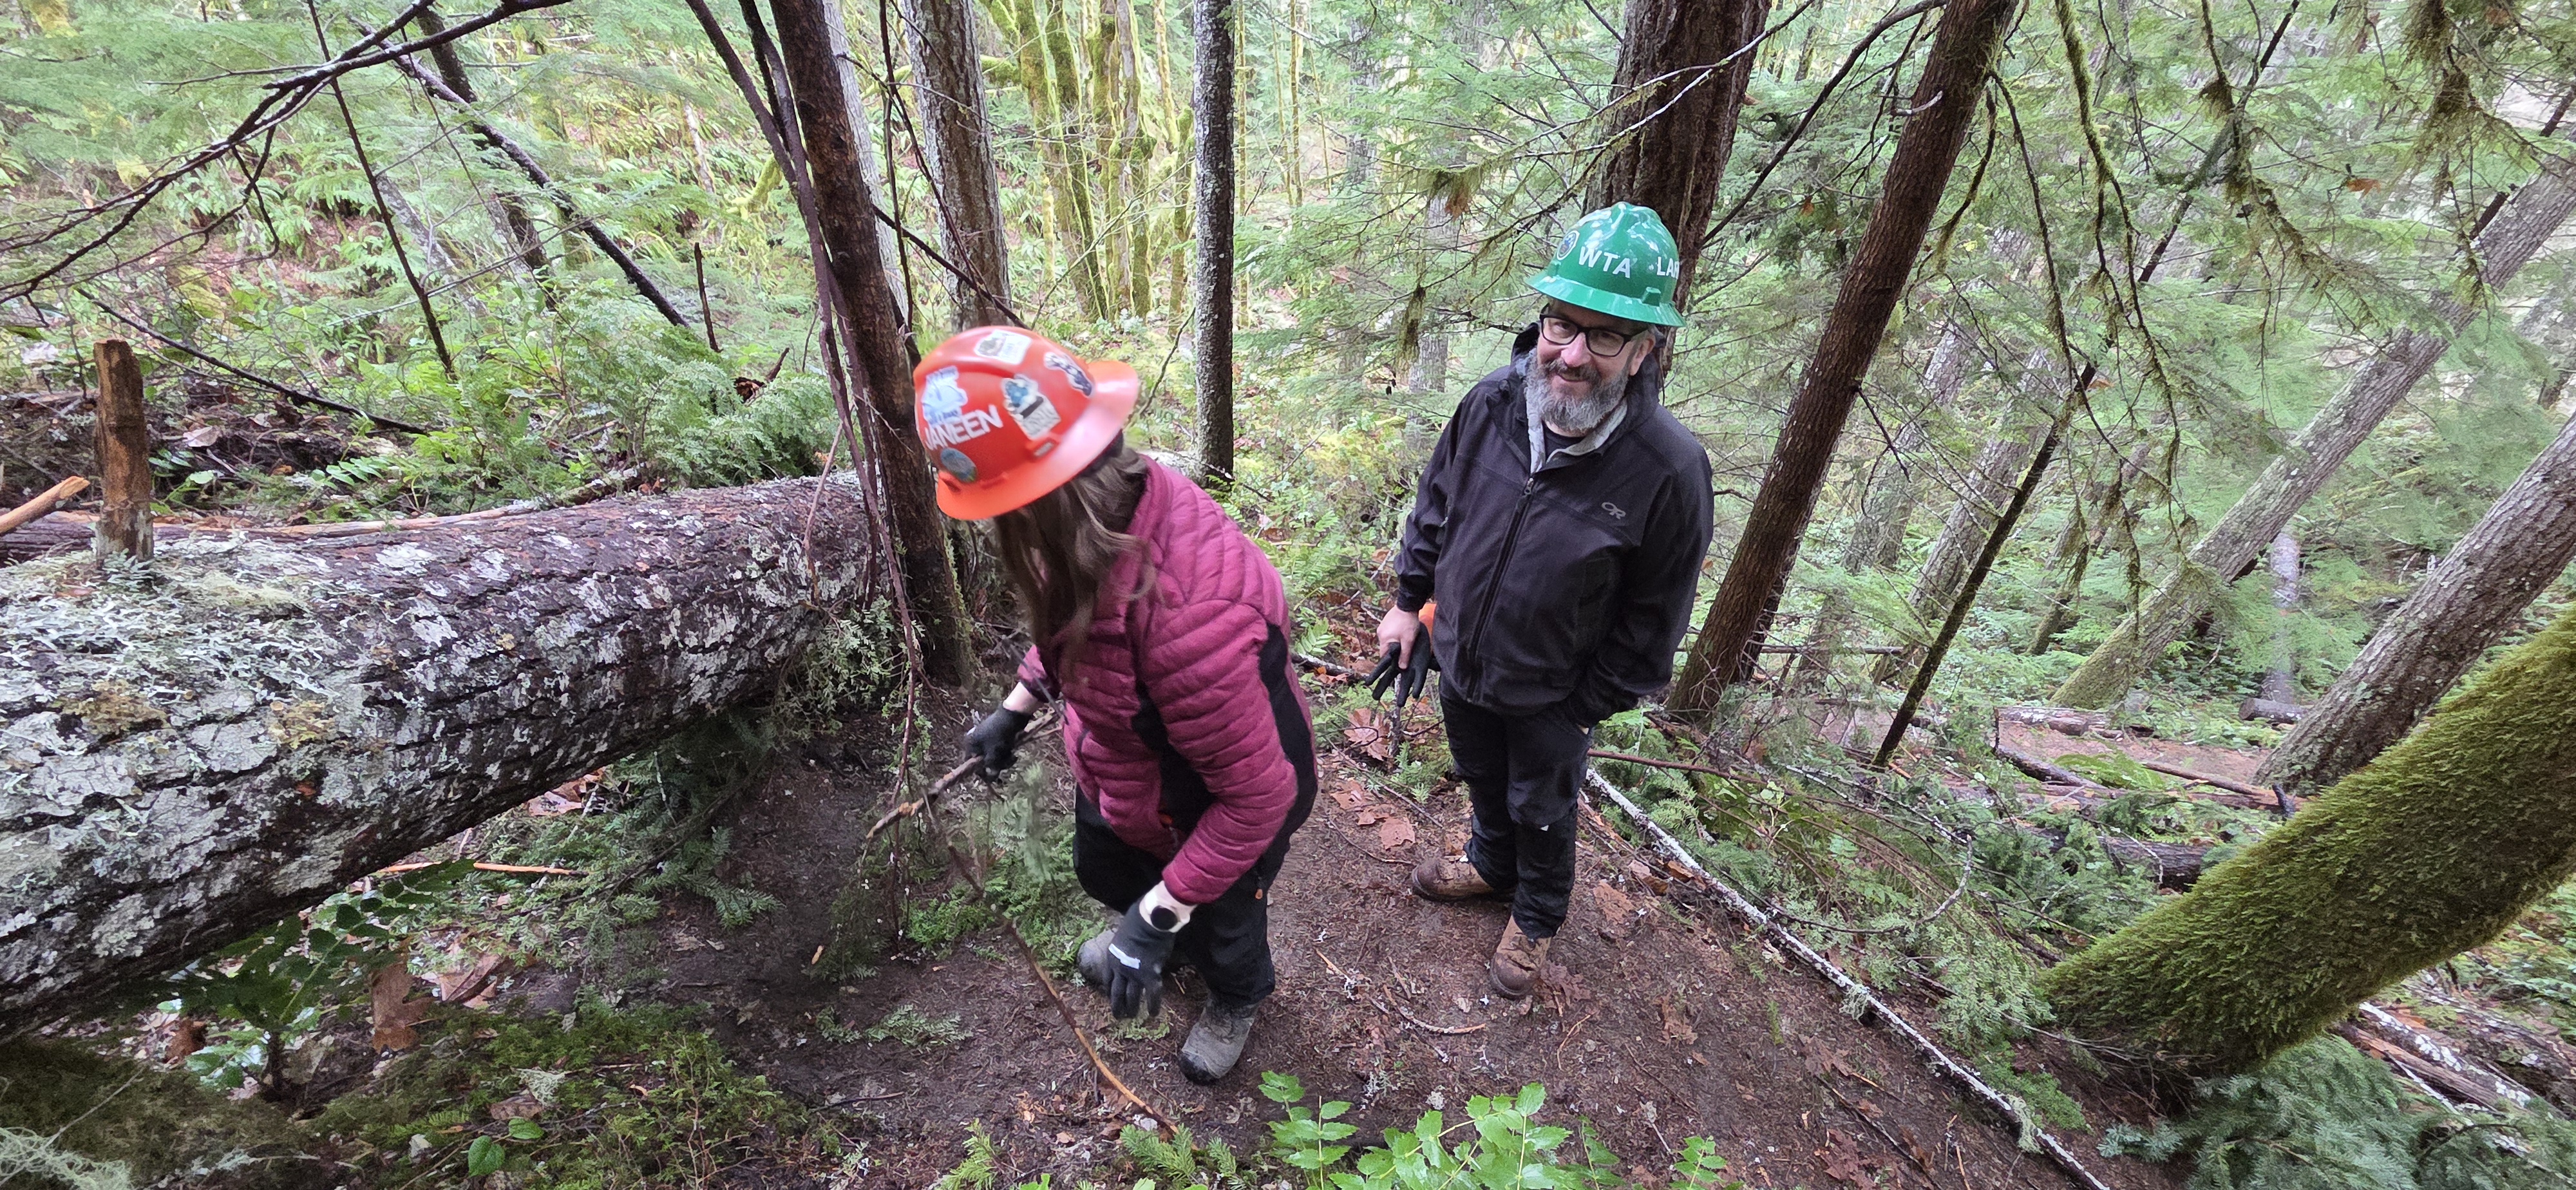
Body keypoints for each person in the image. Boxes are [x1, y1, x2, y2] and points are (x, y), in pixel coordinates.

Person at [923, 326, 1318, 1084]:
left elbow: (1257, 799)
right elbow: (1080, 626)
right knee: (1107, 866)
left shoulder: (1191, 618)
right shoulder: (1086, 525)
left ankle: (1233, 999)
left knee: (1225, 921)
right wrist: (1018, 701)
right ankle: (1156, 925)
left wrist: (1157, 918)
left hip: (1220, 793)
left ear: (1045, 495)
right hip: (1129, 764)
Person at [1380, 203, 1715, 997]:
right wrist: (1411, 603)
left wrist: (1579, 706)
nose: (1570, 356)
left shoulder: (1668, 471)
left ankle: (1535, 917)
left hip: (1555, 696)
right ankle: (1490, 866)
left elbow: (1653, 618)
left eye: (1603, 336)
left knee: (1542, 804)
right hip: (1460, 653)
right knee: (1479, 773)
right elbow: (1436, 506)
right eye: (1561, 325)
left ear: (1644, 351)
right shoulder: (1492, 403)